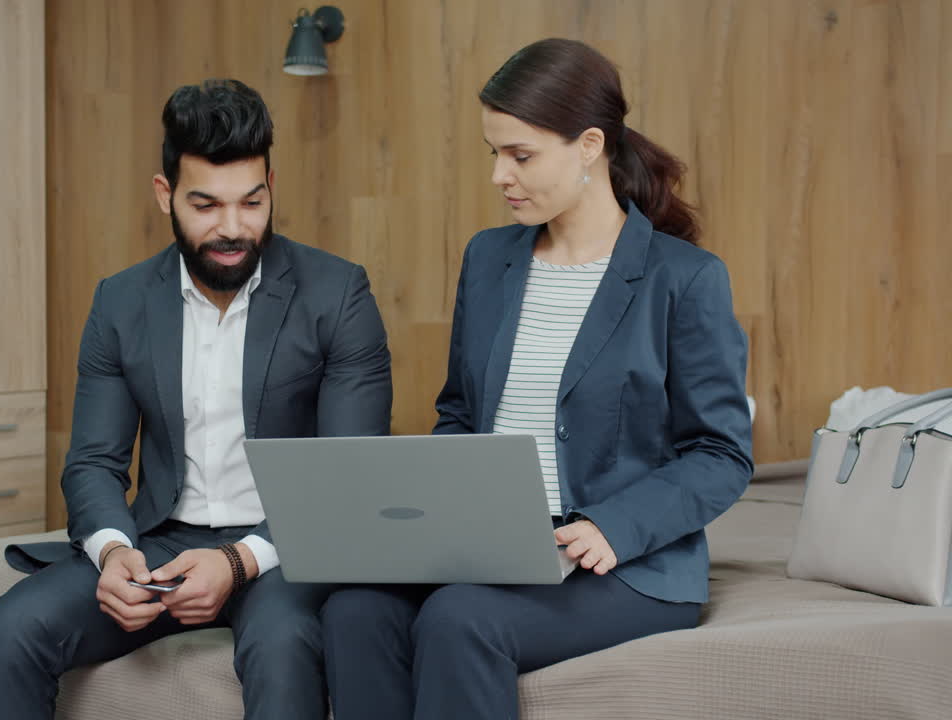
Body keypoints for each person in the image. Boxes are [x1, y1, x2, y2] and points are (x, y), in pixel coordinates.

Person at [320, 38, 753, 720]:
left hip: (626, 565)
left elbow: (722, 454)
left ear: (588, 146)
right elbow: (461, 415)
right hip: (492, 543)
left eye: (520, 155)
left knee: (460, 619)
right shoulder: (490, 259)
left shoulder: (685, 278)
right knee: (354, 609)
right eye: (494, 152)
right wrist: (422, 517)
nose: (500, 175)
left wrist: (611, 526)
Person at [0, 78, 392, 720]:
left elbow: (348, 470)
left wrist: (237, 561)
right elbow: (93, 463)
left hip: (286, 548)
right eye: (206, 205)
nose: (233, 228)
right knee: (14, 626)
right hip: (160, 540)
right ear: (165, 194)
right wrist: (113, 552)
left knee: (284, 647)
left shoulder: (337, 294)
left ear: (271, 185)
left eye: (252, 202)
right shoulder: (121, 301)